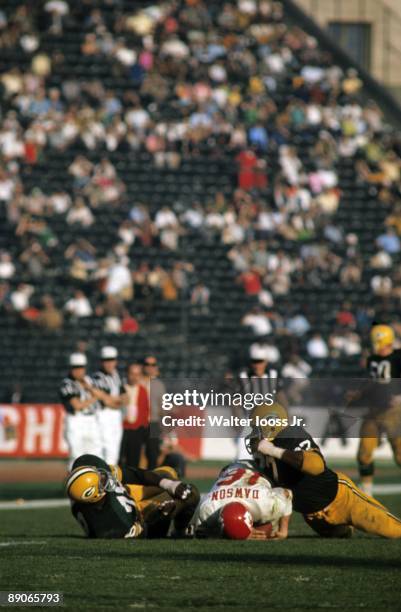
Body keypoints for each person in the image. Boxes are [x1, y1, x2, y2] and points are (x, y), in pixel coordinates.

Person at [246, 403, 401, 538]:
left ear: (270, 424)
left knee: (395, 531)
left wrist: (273, 450)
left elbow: (316, 466)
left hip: (341, 499)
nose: (253, 433)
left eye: (256, 427)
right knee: (342, 535)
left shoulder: (291, 435)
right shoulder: (262, 451)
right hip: (313, 516)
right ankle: (345, 528)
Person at [66, 453, 200, 539]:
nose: (104, 476)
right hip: (138, 515)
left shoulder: (86, 464)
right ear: (93, 496)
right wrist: (160, 514)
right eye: (101, 481)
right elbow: (146, 532)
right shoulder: (111, 525)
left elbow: (132, 473)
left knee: (168, 473)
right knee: (189, 493)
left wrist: (168, 484)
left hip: (127, 495)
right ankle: (180, 531)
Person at [350, 324, 401, 496]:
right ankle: (367, 492)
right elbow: (372, 382)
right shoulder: (373, 359)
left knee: (400, 456)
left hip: (395, 412)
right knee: (364, 452)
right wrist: (358, 393)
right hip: (374, 411)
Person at [193, 461, 292, 540]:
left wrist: (283, 530)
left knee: (274, 525)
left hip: (257, 470)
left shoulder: (263, 503)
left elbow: (287, 493)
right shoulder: (208, 507)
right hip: (229, 470)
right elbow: (198, 532)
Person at [59, 353, 105, 468]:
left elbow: (103, 395)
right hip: (76, 420)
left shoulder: (89, 381)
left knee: (96, 454)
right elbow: (77, 405)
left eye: (80, 367)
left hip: (92, 420)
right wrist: (94, 397)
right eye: (75, 367)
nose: (78, 371)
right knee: (76, 455)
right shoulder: (67, 384)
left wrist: (89, 388)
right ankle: (74, 484)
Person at [92, 346, 125, 465]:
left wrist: (114, 400)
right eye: (106, 360)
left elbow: (125, 397)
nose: (109, 363)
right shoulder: (98, 377)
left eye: (111, 360)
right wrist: (116, 401)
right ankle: (106, 479)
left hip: (116, 415)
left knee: (114, 450)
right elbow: (107, 402)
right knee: (106, 448)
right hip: (103, 414)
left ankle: (111, 479)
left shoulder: (116, 375)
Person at [119, 362, 150, 468]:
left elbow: (145, 411)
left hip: (136, 431)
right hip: (121, 429)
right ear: (127, 374)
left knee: (133, 461)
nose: (134, 377)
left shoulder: (143, 391)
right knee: (118, 458)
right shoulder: (120, 388)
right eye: (132, 374)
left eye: (137, 374)